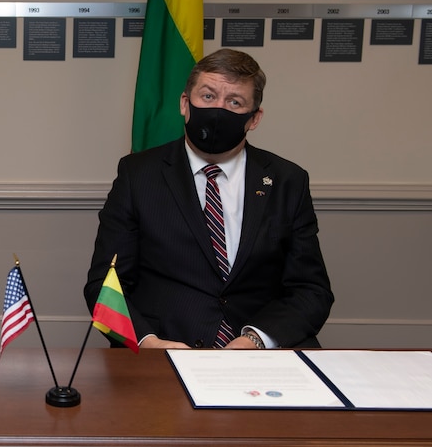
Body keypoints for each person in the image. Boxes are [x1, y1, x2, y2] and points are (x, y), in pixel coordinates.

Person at [85, 48, 333, 350]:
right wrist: (149, 343)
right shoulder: (138, 175)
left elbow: (311, 290)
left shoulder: (287, 180)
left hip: (261, 355)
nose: (219, 110)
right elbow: (104, 286)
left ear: (254, 119)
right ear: (185, 104)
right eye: (208, 96)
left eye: (234, 102)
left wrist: (256, 339)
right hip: (163, 350)